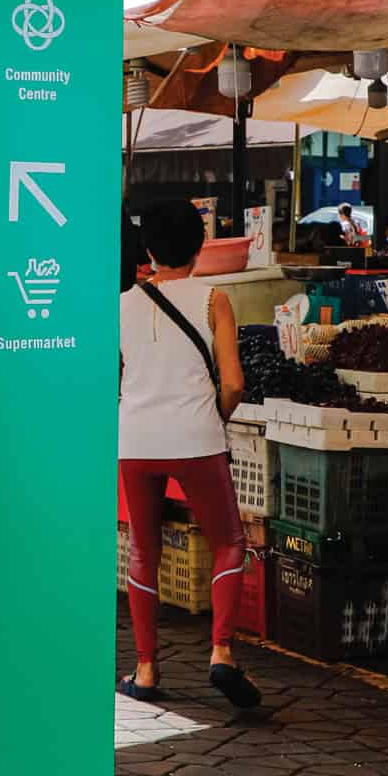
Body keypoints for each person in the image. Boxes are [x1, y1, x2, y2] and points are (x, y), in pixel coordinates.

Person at [118, 198, 259, 710]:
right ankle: (221, 651)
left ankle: (147, 668)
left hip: (134, 440)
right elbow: (235, 383)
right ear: (200, 247)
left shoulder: (122, 304)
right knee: (227, 542)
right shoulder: (214, 299)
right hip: (196, 438)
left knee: (143, 549)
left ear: (149, 249)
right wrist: (215, 416)